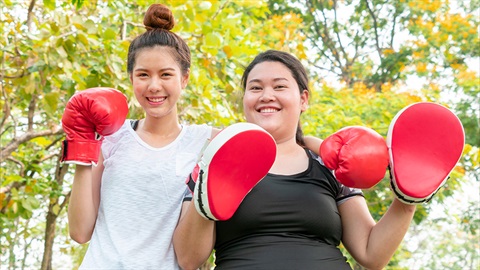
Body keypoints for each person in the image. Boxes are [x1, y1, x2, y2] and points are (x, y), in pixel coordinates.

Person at [173, 50, 417, 270]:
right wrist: (203, 201)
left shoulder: (328, 166)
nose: (266, 95)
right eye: (256, 88)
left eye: (279, 87)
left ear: (303, 99)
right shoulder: (214, 161)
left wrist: (408, 199)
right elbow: (188, 259)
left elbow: (371, 254)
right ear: (245, 99)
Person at [64, 4, 222, 269]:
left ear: (184, 79)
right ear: (131, 78)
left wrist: (313, 145)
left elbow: (265, 144)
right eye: (143, 75)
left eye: (166, 75)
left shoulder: (206, 141)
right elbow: (80, 232)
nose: (154, 86)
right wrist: (83, 147)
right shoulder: (112, 137)